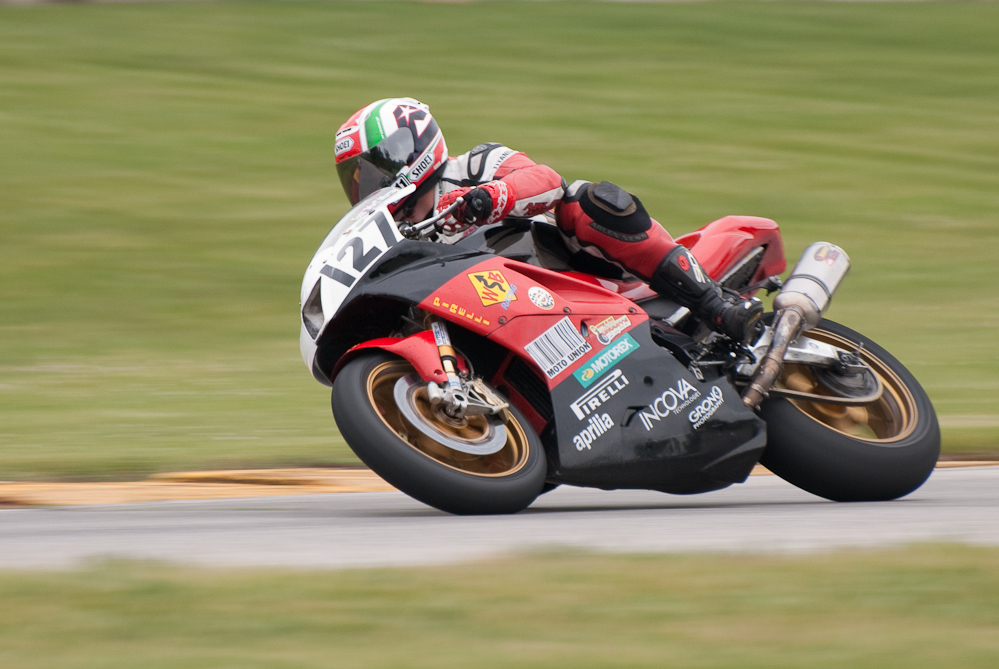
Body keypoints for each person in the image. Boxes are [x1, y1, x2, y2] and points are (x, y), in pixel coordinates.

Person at [334, 97, 762, 342]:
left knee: (586, 199)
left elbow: (546, 180)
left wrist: (488, 198)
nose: (367, 187)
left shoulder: (474, 164)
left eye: (374, 170)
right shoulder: (392, 234)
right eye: (356, 179)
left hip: (577, 275)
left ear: (414, 146)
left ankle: (714, 304)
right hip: (508, 321)